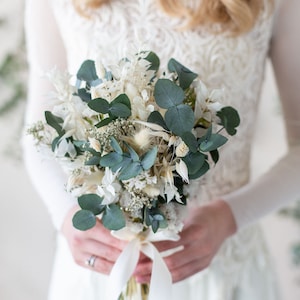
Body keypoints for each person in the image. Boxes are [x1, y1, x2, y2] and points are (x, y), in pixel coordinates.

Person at [22, 0, 300, 299]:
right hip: (101, 269)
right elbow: (40, 134)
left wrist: (231, 215)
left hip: (220, 272)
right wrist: (66, 214)